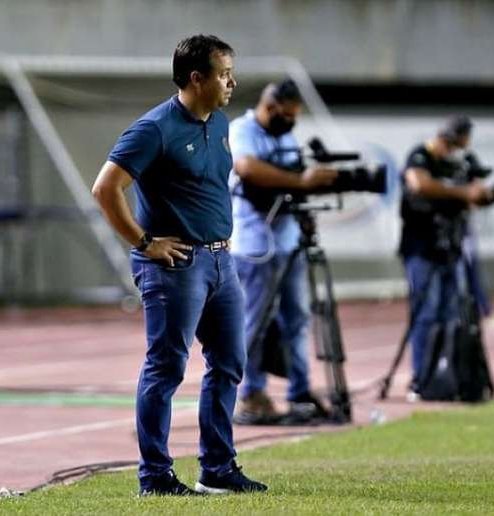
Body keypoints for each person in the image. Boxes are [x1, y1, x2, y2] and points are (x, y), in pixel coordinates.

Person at [92, 34, 266, 496]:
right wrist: (145, 242)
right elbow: (105, 189)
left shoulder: (222, 122)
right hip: (176, 264)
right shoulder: (154, 129)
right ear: (197, 78)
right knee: (166, 368)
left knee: (230, 361)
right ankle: (155, 476)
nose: (232, 81)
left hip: (220, 261)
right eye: (224, 73)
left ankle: (218, 468)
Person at [228, 79, 337, 424]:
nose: (291, 122)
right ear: (271, 107)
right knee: (255, 323)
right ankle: (250, 394)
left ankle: (300, 393)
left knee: (298, 320)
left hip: (289, 242)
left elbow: (291, 179)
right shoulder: (242, 129)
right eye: (287, 115)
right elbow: (246, 168)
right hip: (254, 245)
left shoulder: (284, 136)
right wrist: (302, 181)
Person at [399, 116, 492, 397]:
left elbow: (475, 197)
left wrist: (480, 195)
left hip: (450, 249)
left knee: (452, 315)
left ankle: (449, 376)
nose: (456, 153)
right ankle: (422, 378)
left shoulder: (457, 164)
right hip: (421, 248)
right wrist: (462, 192)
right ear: (446, 139)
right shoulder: (420, 156)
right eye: (454, 147)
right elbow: (419, 185)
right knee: (426, 314)